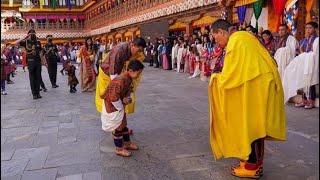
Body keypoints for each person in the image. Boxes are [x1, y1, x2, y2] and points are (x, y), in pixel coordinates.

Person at [208, 19, 286, 179]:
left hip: (258, 89)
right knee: (252, 125)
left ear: (222, 32)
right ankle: (249, 161)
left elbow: (229, 76)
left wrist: (215, 78)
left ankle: (253, 167)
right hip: (257, 86)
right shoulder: (244, 37)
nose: (218, 42)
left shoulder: (236, 42)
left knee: (253, 127)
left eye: (216, 38)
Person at [100, 60, 144, 157]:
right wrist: (121, 106)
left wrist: (126, 98)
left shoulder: (128, 78)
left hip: (119, 105)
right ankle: (119, 148)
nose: (138, 75)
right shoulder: (119, 80)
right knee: (118, 127)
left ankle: (127, 143)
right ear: (131, 71)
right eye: (138, 73)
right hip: (113, 106)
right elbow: (113, 97)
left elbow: (129, 89)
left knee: (123, 124)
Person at [95, 37, 146, 114]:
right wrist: (120, 106)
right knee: (111, 98)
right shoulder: (118, 52)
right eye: (138, 51)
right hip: (107, 74)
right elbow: (113, 74)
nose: (138, 53)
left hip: (117, 73)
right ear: (133, 45)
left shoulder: (131, 50)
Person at [282, 22, 319, 109]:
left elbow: (316, 54)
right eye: (306, 28)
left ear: (316, 29)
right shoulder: (303, 40)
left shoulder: (317, 40)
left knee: (311, 83)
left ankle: (311, 101)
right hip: (303, 64)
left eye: (310, 28)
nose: (308, 30)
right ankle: (304, 100)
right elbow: (298, 52)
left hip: (312, 64)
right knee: (303, 81)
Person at [14, 29, 43, 99]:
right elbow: (15, 43)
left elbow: (40, 52)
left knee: (38, 77)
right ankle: (34, 94)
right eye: (31, 34)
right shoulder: (25, 42)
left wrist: (43, 61)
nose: (32, 35)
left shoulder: (38, 42)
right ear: (28, 35)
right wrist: (25, 37)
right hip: (30, 61)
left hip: (38, 62)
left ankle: (38, 93)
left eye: (34, 33)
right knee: (32, 78)